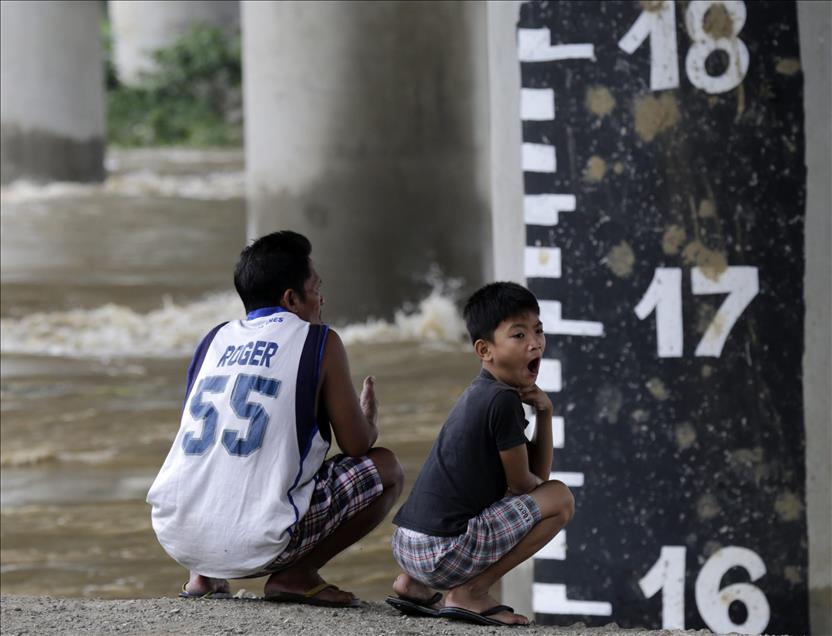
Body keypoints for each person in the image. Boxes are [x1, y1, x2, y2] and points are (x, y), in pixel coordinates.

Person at [147, 230, 404, 607]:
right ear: (291, 299)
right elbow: (356, 445)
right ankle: (297, 575)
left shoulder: (213, 339)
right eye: (316, 288)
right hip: (260, 544)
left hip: (177, 534)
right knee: (388, 470)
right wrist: (368, 418)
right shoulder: (318, 340)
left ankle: (203, 575)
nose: (322, 298)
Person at [387, 281, 575, 626]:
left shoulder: (480, 391)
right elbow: (530, 485)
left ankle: (411, 585)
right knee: (560, 500)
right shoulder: (502, 400)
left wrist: (544, 411)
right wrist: (546, 416)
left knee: (508, 496)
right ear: (484, 350)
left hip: (406, 545)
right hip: (439, 555)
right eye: (518, 336)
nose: (535, 343)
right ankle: (471, 592)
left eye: (538, 331)